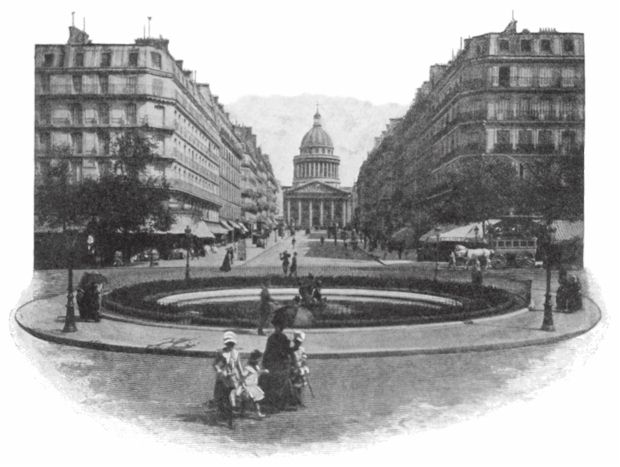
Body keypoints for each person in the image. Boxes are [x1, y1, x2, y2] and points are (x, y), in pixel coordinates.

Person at [261, 311, 295, 410]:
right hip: (277, 364)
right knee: (281, 381)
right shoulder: (278, 338)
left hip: (276, 364)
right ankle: (279, 402)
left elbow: (268, 352)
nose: (276, 329)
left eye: (277, 327)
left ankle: (277, 402)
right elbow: (284, 352)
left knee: (278, 381)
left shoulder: (275, 338)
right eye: (276, 327)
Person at [212, 331, 243, 426]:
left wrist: (242, 377)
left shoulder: (236, 353)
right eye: (229, 344)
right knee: (220, 398)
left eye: (232, 344)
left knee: (230, 398)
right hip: (222, 378)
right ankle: (222, 415)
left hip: (232, 379)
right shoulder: (221, 353)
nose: (230, 346)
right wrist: (219, 370)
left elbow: (239, 366)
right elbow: (215, 365)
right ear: (226, 343)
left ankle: (230, 419)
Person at [240, 350, 269, 418]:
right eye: (257, 359)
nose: (258, 361)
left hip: (254, 386)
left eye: (259, 360)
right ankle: (243, 411)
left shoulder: (256, 367)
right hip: (248, 386)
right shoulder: (248, 368)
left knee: (256, 400)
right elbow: (243, 376)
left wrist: (264, 371)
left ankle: (257, 413)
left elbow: (258, 372)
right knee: (247, 400)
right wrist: (243, 385)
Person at [290, 331, 310, 407]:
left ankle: (300, 401)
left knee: (301, 385)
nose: (298, 344)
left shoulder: (302, 349)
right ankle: (295, 401)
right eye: (297, 342)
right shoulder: (291, 350)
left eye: (299, 342)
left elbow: (304, 358)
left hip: (300, 369)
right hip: (294, 369)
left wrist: (304, 366)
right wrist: (294, 368)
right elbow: (290, 361)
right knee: (294, 385)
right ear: (294, 342)